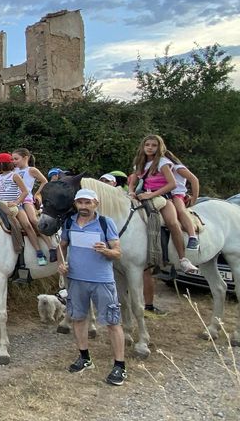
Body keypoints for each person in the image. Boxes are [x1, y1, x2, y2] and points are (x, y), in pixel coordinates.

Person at [57, 188, 128, 386]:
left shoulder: (106, 223)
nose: (83, 207)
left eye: (88, 203)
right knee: (78, 319)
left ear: (96, 203)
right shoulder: (70, 222)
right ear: (76, 204)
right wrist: (61, 264)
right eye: (80, 203)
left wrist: (106, 250)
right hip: (76, 280)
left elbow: (118, 252)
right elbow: (62, 245)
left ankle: (120, 366)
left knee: (113, 323)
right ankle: (84, 358)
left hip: (102, 281)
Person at [128, 134, 198, 274]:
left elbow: (172, 184)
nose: (150, 148)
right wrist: (131, 191)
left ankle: (183, 259)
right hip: (144, 196)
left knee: (172, 222)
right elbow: (133, 181)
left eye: (154, 145)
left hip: (162, 196)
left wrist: (152, 194)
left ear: (159, 147)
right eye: (147, 145)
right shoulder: (140, 163)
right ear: (143, 146)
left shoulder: (163, 162)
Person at [0, 152, 49, 266]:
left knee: (27, 225)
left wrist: (16, 202)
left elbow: (25, 191)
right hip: (3, 205)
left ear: (2, 164)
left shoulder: (15, 175)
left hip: (15, 206)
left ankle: (39, 253)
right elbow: (1, 191)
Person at [13, 148, 57, 262]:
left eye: (16, 159)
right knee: (26, 225)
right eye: (12, 159)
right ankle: (38, 252)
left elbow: (44, 181)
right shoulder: (14, 170)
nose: (14, 161)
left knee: (33, 220)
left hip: (26, 198)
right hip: (15, 199)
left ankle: (51, 247)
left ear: (25, 158)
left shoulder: (31, 170)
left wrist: (37, 193)